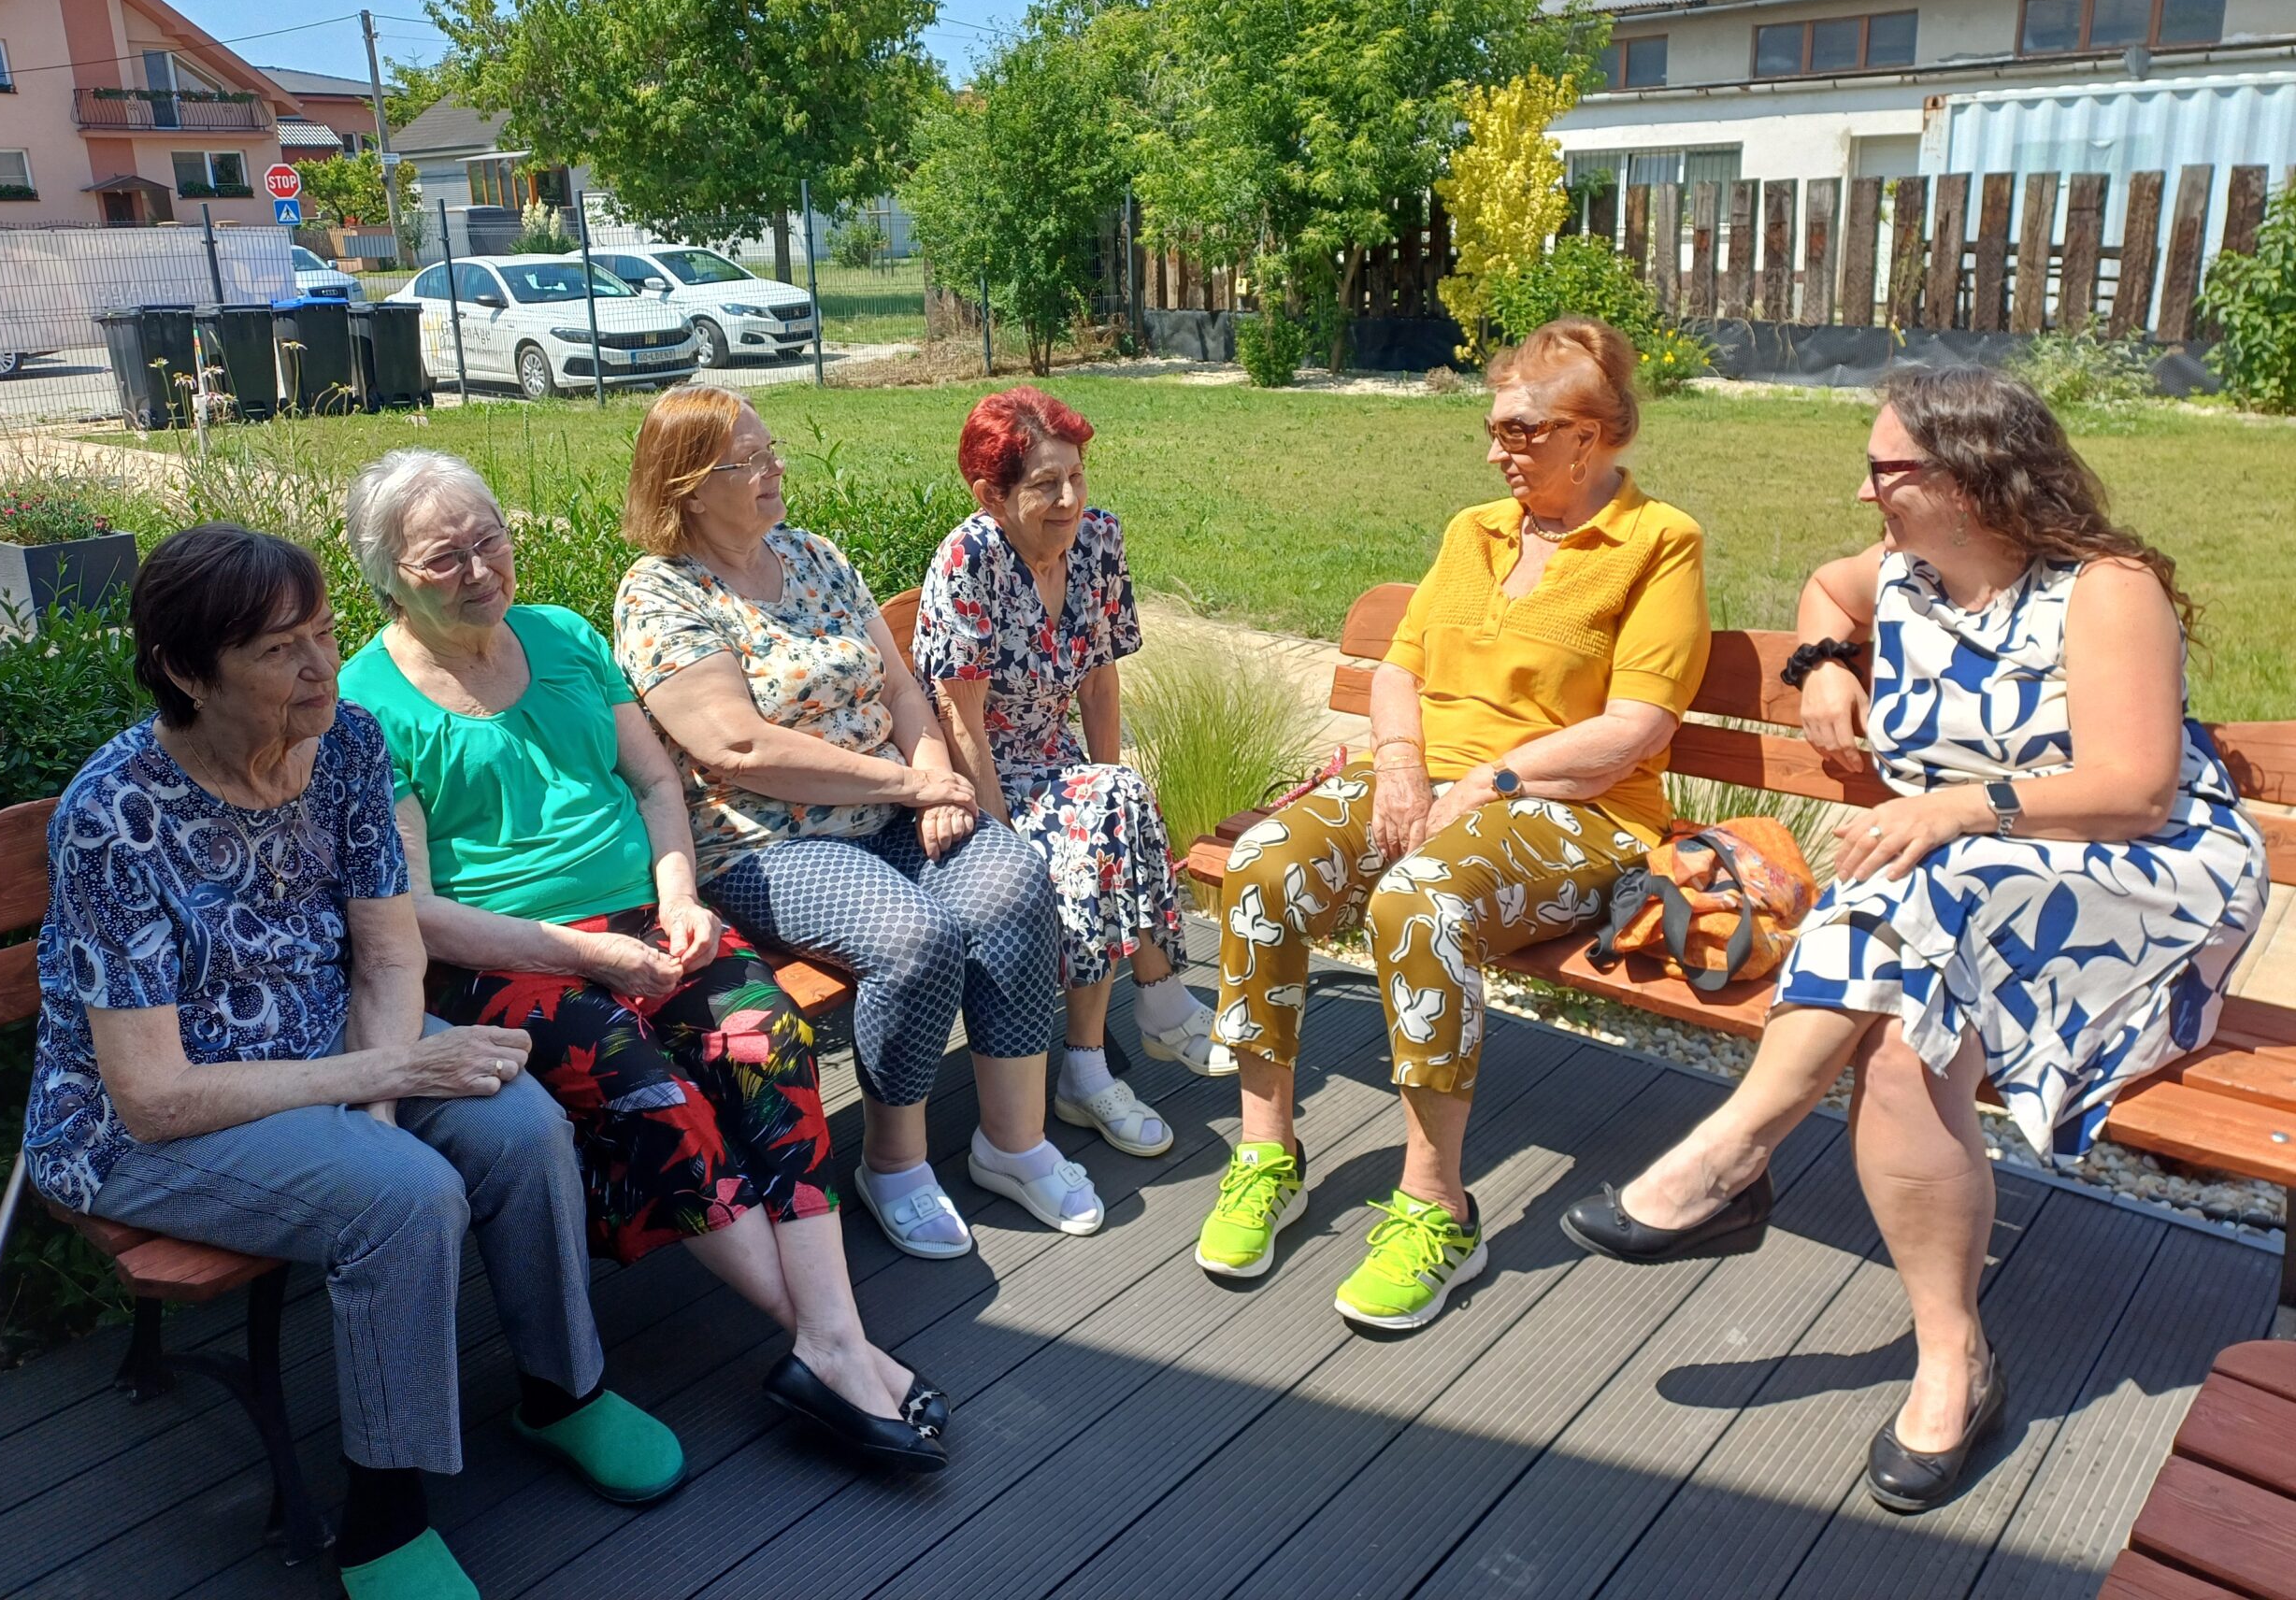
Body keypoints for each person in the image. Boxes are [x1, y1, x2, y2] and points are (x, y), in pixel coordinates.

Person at [1560, 367, 2270, 1513]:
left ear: (1971, 476)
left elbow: (2136, 790)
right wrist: (1821, 664)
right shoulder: (1905, 575)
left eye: (1885, 469)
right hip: (1960, 882)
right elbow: (1823, 588)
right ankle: (1954, 1360)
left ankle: (1732, 1152)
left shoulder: (2103, 591)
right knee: (1898, 1051)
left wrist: (1954, 808)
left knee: (1914, 870)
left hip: (2140, 876)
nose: (1863, 491)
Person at [22, 524, 684, 1600]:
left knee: (521, 1125)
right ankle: (383, 1522)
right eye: (279, 651)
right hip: (139, 1124)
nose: (322, 668)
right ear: (188, 672)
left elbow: (385, 952)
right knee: (405, 1197)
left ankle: (562, 1392)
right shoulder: (114, 815)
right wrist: (381, 1089)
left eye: (326, 634)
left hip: (318, 1034)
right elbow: (151, 1096)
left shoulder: (348, 745)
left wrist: (377, 1109)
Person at [337, 450, 943, 1472]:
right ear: (386, 577)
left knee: (766, 1039)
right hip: (510, 957)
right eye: (445, 557)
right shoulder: (366, 703)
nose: (481, 569)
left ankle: (833, 1345)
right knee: (651, 1093)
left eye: (490, 539)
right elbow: (417, 913)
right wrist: (595, 954)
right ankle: (839, 1348)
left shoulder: (563, 637)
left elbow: (658, 784)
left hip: (652, 915)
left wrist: (678, 900)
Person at [1198, 318, 1710, 1332]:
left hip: (1578, 811)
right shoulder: (1474, 532)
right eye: (1494, 429)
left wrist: (1491, 780)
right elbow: (1399, 670)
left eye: (1520, 431)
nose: (1496, 453)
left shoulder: (1659, 543)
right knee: (1264, 862)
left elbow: (1637, 728)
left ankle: (1439, 1210)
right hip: (1429, 783)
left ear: (1589, 434)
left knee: (1420, 901)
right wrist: (1399, 767)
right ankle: (1266, 1152)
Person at [612, 383, 1094, 1261]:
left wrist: (935, 773)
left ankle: (1013, 1142)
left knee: (1014, 882)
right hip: (767, 840)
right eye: (748, 462)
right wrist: (911, 787)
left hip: (893, 802)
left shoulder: (813, 554)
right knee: (913, 939)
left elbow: (900, 686)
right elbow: (738, 748)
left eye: (771, 450)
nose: (774, 469)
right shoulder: (661, 595)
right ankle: (894, 1165)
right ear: (689, 488)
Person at [912, 388, 1227, 1162]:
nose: (1069, 499)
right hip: (978, 781)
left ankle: (1096, 1058)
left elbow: (1100, 682)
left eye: (1077, 476)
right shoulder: (970, 560)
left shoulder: (1098, 541)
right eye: (1045, 484)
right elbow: (960, 719)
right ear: (990, 494)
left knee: (1113, 803)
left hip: (1059, 767)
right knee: (1102, 813)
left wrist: (1111, 801)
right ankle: (1143, 1016)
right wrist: (1001, 849)